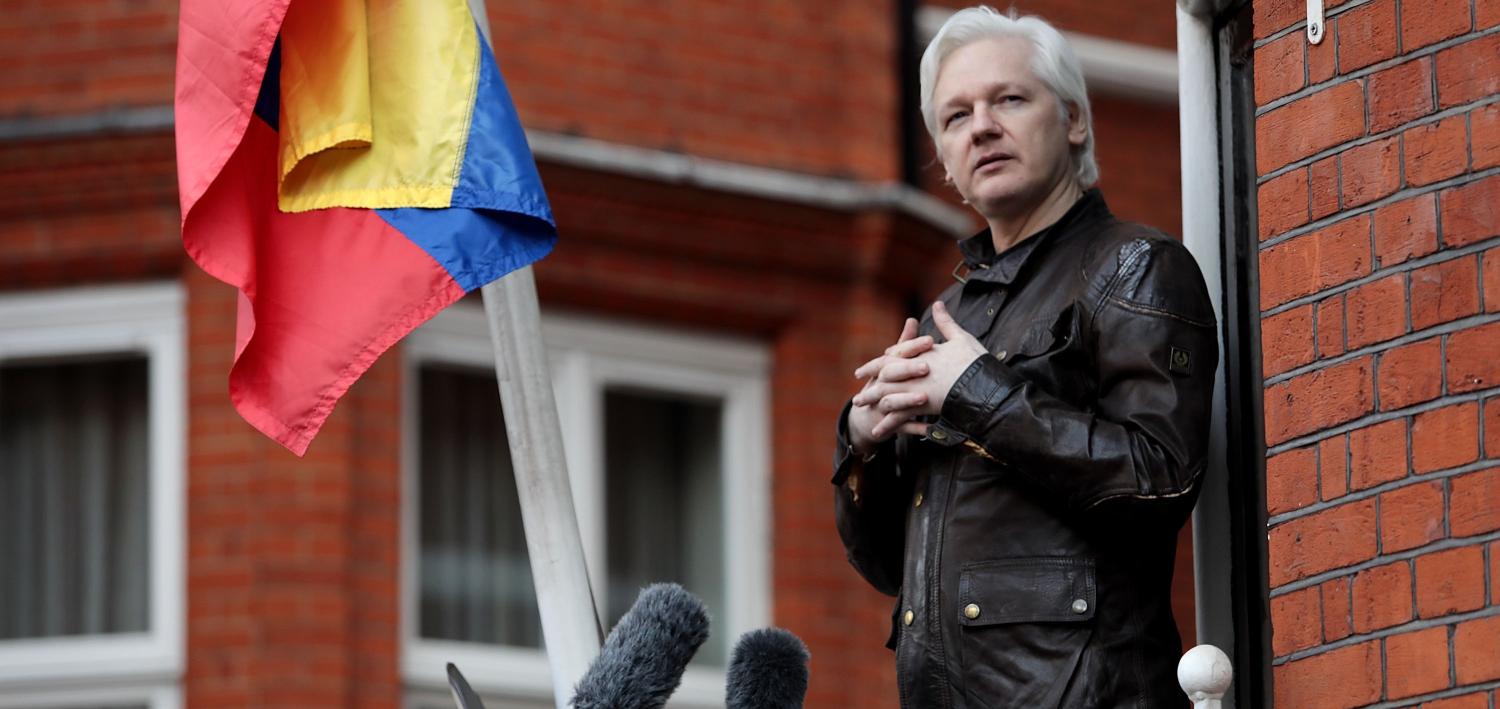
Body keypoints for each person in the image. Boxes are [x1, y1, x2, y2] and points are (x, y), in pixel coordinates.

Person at [832, 6, 1218, 708]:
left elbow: (1159, 479)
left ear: (1073, 120)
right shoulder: (962, 315)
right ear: (945, 162)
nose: (981, 125)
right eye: (955, 117)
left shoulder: (1134, 263)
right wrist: (864, 441)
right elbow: (888, 565)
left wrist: (978, 392)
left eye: (1008, 99)